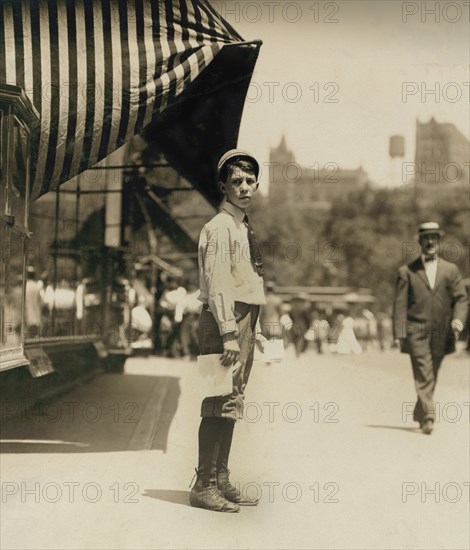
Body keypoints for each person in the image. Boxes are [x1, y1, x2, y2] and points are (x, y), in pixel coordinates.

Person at [190, 149, 266, 513]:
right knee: (217, 402)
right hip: (225, 321)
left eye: (250, 181)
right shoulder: (219, 227)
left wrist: (255, 329)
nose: (245, 187)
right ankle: (203, 484)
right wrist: (228, 333)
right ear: (223, 186)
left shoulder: (242, 225)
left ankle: (220, 479)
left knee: (231, 403)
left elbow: (246, 280)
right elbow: (218, 282)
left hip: (242, 320)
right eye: (237, 181)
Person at [393, 222, 468, 435]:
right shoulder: (406, 271)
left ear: (439, 241)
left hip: (442, 332)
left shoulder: (451, 270)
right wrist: (399, 332)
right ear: (420, 242)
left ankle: (420, 411)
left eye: (434, 237)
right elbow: (399, 304)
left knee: (432, 372)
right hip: (415, 329)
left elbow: (461, 299)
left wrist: (458, 321)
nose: (431, 242)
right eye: (426, 238)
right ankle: (429, 415)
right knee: (424, 371)